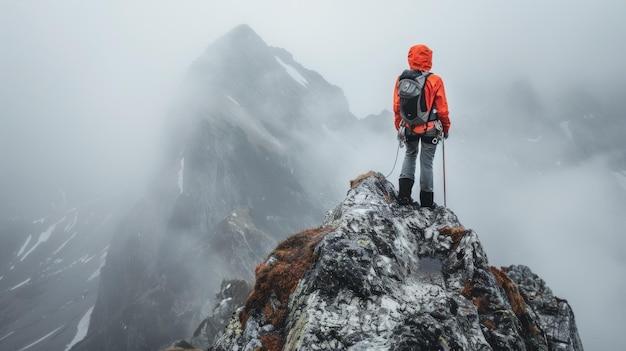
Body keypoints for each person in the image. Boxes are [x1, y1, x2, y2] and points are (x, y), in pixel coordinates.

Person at [393, 44, 450, 208]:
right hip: (430, 129)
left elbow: (397, 106)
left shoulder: (401, 79)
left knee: (410, 155)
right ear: (429, 59)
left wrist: (399, 125)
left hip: (409, 126)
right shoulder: (435, 80)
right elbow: (442, 109)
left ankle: (404, 196)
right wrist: (445, 128)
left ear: (410, 57)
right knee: (427, 163)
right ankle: (426, 203)